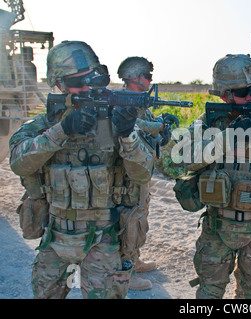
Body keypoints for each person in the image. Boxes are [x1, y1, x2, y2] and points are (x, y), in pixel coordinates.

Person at [9, 41, 155, 299]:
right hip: (55, 235)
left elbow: (143, 174)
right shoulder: (45, 124)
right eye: (78, 82)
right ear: (59, 85)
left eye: (92, 79)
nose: (87, 87)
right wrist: (61, 130)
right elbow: (19, 162)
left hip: (103, 238)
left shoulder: (114, 121)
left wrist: (126, 135)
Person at [181, 54, 251, 299]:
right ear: (224, 95)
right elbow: (185, 158)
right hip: (217, 228)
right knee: (209, 294)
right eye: (243, 92)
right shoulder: (209, 121)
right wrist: (229, 135)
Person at [116, 56, 172, 290]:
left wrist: (162, 130)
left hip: (141, 172)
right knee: (130, 222)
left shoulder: (140, 103)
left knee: (139, 218)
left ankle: (134, 260)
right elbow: (128, 126)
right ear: (135, 78)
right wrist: (154, 126)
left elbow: (148, 132)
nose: (150, 80)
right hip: (126, 174)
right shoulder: (119, 103)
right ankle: (124, 274)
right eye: (147, 76)